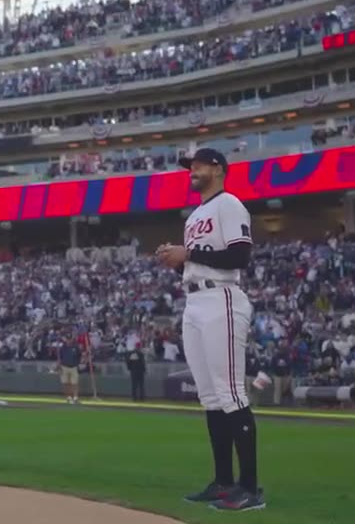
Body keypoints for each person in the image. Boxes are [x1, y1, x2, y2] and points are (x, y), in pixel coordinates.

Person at [156, 148, 263, 512]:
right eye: (190, 167)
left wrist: (188, 254)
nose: (192, 170)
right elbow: (198, 265)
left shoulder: (229, 204)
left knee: (231, 393)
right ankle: (223, 482)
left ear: (218, 168)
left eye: (199, 165)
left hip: (222, 300)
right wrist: (176, 260)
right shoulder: (196, 215)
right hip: (196, 300)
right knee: (212, 398)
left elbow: (238, 257)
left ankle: (250, 488)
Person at [57, 335, 82, 404]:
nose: (68, 340)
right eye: (67, 339)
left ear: (72, 339)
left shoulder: (76, 347)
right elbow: (59, 358)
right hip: (64, 367)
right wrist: (59, 366)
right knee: (65, 383)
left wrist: (78, 363)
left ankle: (75, 397)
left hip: (74, 367)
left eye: (70, 339)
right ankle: (69, 397)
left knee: (75, 383)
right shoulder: (63, 348)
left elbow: (80, 356)